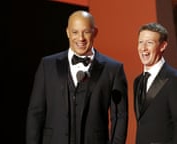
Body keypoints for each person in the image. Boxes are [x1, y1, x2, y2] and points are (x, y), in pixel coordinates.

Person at [26, 10, 128, 144]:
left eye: (86, 32)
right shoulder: (47, 65)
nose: (81, 38)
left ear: (95, 32)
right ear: (67, 32)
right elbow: (36, 113)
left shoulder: (113, 69)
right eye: (75, 32)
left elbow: (120, 117)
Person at [134, 22, 177, 144]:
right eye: (140, 42)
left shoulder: (175, 80)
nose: (143, 48)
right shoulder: (138, 81)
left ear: (163, 46)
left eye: (149, 43)